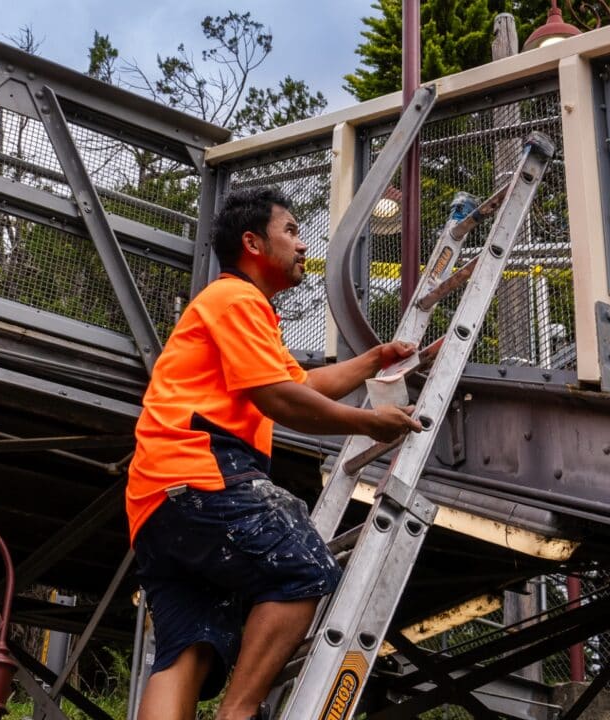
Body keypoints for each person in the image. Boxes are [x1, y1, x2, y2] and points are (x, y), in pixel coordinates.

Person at [127, 186, 423, 720]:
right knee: (303, 564)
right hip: (202, 474)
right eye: (291, 231)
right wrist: (371, 423)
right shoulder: (236, 299)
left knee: (189, 647)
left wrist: (374, 359)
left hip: (156, 504)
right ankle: (238, 715)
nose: (302, 244)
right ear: (253, 243)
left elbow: (302, 382)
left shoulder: (234, 310)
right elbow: (282, 399)